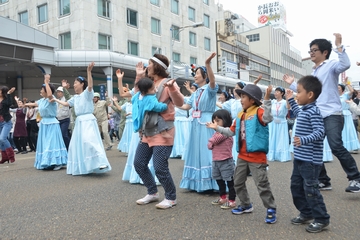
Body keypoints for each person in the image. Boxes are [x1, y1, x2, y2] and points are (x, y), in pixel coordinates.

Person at [283, 33, 360, 192]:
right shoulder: (314, 72)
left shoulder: (331, 65)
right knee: (313, 146)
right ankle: (324, 181)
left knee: (335, 145)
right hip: (317, 114)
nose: (311, 53)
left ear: (324, 52)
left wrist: (339, 47)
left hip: (332, 113)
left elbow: (345, 64)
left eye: (314, 50)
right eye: (310, 50)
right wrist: (292, 85)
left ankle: (356, 178)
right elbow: (306, 91)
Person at [206, 84, 277, 224]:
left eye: (243, 96)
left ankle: (271, 209)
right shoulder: (239, 115)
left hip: (257, 157)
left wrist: (267, 99)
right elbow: (231, 132)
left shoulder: (259, 111)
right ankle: (246, 205)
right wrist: (218, 128)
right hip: (242, 157)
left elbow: (268, 119)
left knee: (262, 184)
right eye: (241, 96)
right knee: (237, 182)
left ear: (252, 100)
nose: (240, 99)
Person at [124, 53, 184, 209]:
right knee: (139, 163)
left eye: (149, 63)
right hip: (147, 130)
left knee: (159, 166)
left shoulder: (167, 83)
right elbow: (137, 96)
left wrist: (173, 89)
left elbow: (179, 103)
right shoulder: (148, 82)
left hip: (163, 130)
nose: (147, 65)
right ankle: (152, 192)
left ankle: (171, 197)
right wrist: (138, 76)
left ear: (157, 66)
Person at [285, 76, 330, 233]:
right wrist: (291, 99)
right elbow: (297, 112)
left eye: (298, 92)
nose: (297, 94)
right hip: (300, 158)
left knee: (311, 190)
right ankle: (306, 213)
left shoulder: (314, 111)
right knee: (296, 186)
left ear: (310, 94)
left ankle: (322, 218)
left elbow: (320, 132)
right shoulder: (305, 110)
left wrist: (303, 139)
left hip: (310, 161)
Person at [53, 62, 112, 175]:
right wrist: (55, 99)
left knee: (90, 140)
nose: (74, 85)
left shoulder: (87, 94)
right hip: (79, 122)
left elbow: (90, 86)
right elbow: (66, 104)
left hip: (88, 120)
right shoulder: (75, 97)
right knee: (78, 144)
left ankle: (100, 162)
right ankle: (85, 166)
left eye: (76, 83)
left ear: (81, 84)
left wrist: (88, 72)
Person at [179, 53, 219, 192]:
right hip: (195, 124)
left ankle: (212, 182)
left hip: (207, 123)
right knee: (195, 152)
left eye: (197, 73)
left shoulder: (210, 89)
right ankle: (196, 182)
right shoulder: (195, 93)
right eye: (195, 73)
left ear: (204, 76)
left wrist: (208, 64)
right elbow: (186, 106)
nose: (195, 75)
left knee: (207, 151)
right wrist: (173, 97)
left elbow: (213, 81)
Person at [24, 75, 67, 170]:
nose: (40, 90)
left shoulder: (51, 99)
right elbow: (34, 104)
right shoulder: (42, 100)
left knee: (52, 142)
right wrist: (25, 104)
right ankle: (47, 161)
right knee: (45, 142)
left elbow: (50, 94)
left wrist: (47, 82)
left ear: (47, 90)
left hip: (52, 123)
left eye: (42, 89)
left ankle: (57, 162)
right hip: (44, 123)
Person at [207, 109, 236, 209]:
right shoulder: (217, 133)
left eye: (218, 121)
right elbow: (209, 146)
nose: (215, 123)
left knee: (230, 181)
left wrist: (211, 141)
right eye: (214, 121)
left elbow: (215, 140)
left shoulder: (226, 132)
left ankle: (232, 200)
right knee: (219, 180)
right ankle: (223, 197)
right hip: (216, 161)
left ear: (225, 120)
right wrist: (211, 142)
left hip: (226, 161)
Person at [267, 86, 291, 162]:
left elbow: (288, 107)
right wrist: (268, 92)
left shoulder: (284, 102)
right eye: (275, 91)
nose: (275, 93)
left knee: (281, 139)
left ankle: (282, 156)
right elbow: (265, 102)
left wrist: (287, 98)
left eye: (277, 92)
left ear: (282, 93)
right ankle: (272, 155)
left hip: (282, 123)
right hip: (273, 122)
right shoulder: (273, 101)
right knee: (272, 138)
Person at [337, 83, 360, 152]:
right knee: (340, 131)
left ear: (342, 89)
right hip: (338, 114)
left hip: (346, 114)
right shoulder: (335, 96)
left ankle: (352, 146)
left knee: (348, 130)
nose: (337, 88)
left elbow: (352, 91)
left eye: (339, 88)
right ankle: (342, 146)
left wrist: (347, 84)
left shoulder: (345, 95)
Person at [0, 86, 16, 164]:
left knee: (2, 138)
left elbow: (9, 103)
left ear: (3, 92)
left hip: (6, 122)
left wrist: (9, 93)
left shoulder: (6, 100)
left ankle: (11, 155)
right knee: (0, 141)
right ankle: (4, 157)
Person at [55, 86, 71, 150]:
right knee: (60, 135)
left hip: (65, 119)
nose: (58, 93)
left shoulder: (66, 99)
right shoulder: (57, 100)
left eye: (59, 92)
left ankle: (69, 147)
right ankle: (63, 147)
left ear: (63, 93)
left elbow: (68, 97)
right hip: (59, 119)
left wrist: (66, 88)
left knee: (63, 134)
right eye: (57, 92)